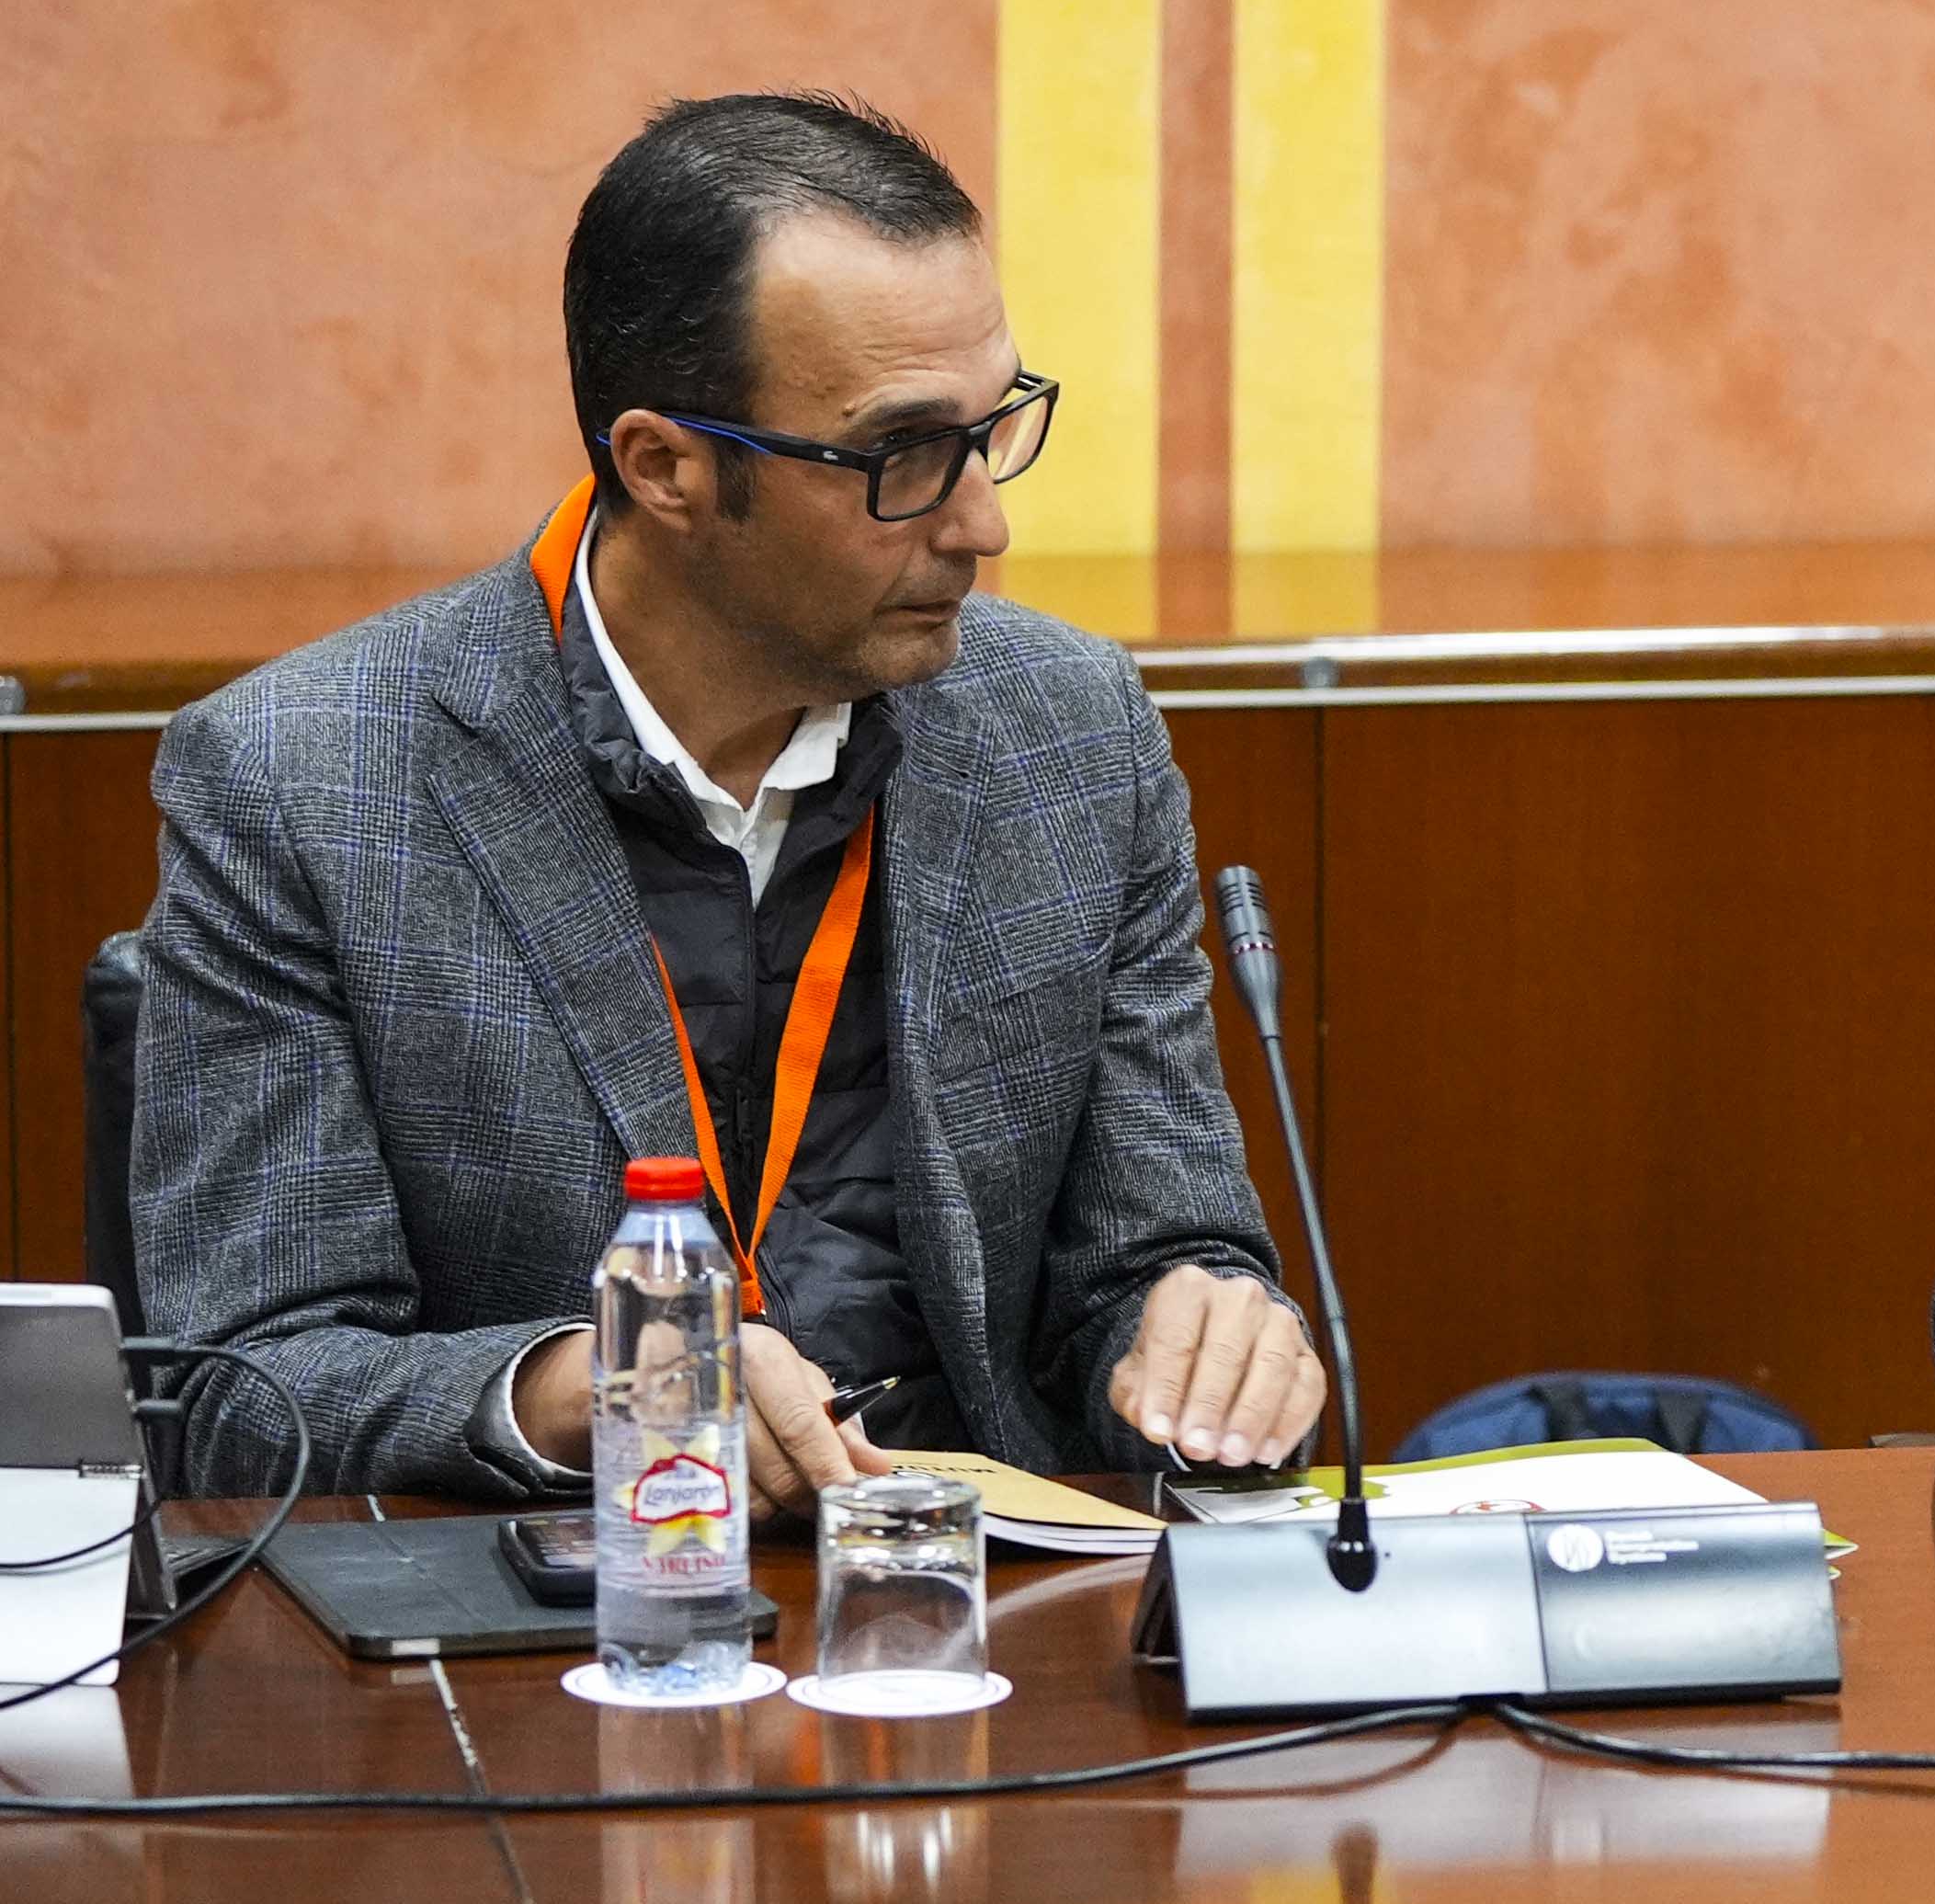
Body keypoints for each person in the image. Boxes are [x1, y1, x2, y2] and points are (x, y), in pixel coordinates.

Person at [135, 92, 1324, 1507]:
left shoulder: (1066, 734)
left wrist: (1210, 1331)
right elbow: (241, 1391)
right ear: (666, 467)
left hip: (981, 1612)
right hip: (570, 1637)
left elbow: (1151, 1256)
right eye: (901, 456)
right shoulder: (302, 782)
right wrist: (594, 1383)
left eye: (994, 424)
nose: (983, 521)